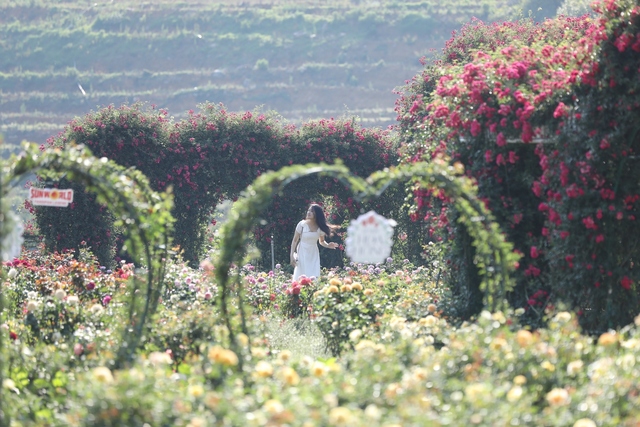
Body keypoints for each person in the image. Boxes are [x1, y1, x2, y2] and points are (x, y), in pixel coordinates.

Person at [290, 204, 339, 281]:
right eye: (309, 210)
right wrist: (291, 255)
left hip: (313, 253)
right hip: (302, 251)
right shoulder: (302, 225)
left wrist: (328, 245)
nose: (309, 212)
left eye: (312, 211)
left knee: (313, 274)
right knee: (301, 273)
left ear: (317, 214)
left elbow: (321, 241)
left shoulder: (320, 229)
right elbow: (295, 240)